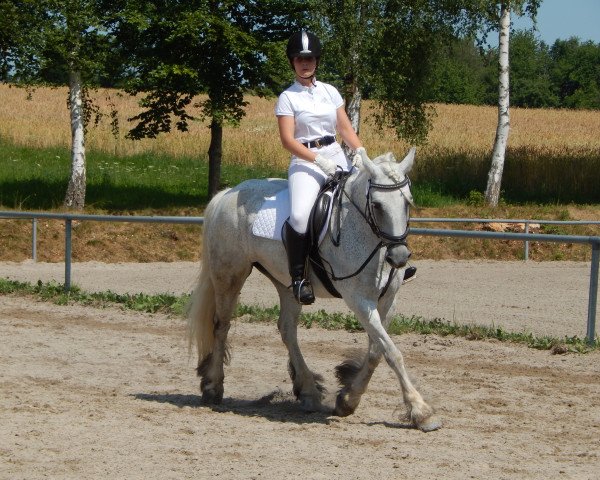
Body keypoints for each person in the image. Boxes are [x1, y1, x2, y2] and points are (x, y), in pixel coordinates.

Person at [275, 31, 364, 305]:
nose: (305, 64)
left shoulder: (330, 92)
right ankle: (300, 277)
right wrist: (317, 160)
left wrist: (360, 153)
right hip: (305, 159)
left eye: (310, 58)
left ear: (317, 61)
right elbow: (288, 140)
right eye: (300, 59)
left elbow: (345, 128)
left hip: (335, 152)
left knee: (368, 197)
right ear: (292, 62)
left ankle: (388, 261)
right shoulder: (287, 97)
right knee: (300, 216)